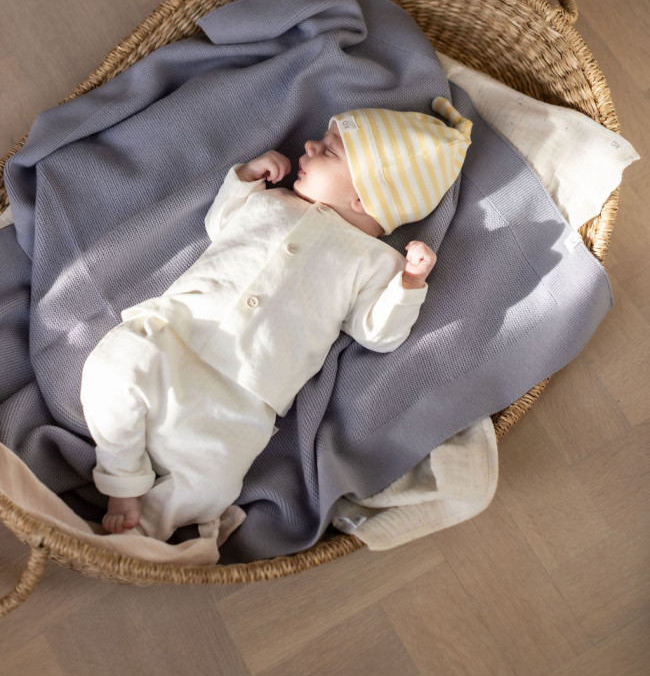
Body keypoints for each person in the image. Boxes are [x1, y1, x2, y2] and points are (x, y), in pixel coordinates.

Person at [80, 97, 472, 545]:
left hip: (245, 394)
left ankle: (147, 528)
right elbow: (221, 223)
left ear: (365, 195)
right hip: (176, 334)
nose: (307, 145)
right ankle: (122, 477)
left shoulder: (376, 263)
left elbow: (377, 334)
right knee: (114, 363)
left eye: (328, 151)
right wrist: (245, 178)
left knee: (215, 480)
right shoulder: (273, 203)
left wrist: (410, 283)